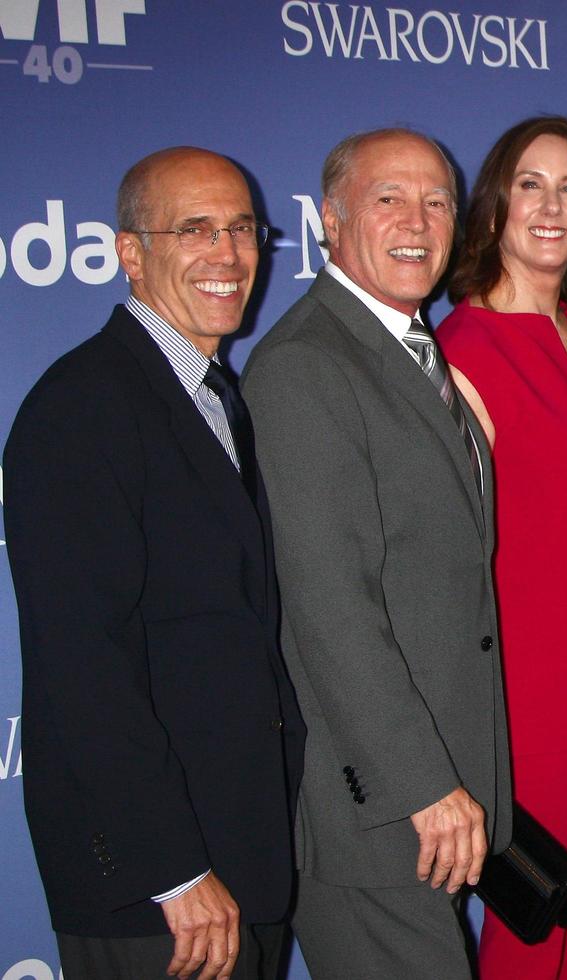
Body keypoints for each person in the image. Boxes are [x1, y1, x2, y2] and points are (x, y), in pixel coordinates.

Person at [4, 147, 304, 980]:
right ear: (131, 254)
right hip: (161, 893)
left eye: (242, 228)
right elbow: (81, 663)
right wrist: (173, 869)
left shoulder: (216, 395)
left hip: (242, 859)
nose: (228, 254)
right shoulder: (83, 408)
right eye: (195, 229)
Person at [240, 128, 510, 980]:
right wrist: (422, 787)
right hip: (382, 808)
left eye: (436, 201)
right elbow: (329, 609)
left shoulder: (412, 351)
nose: (417, 220)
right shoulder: (305, 368)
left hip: (443, 801)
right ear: (330, 220)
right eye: (388, 198)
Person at [436, 115, 567, 978]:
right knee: (530, 932)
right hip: (528, 698)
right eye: (531, 184)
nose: (552, 206)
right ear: (493, 209)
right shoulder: (461, 350)